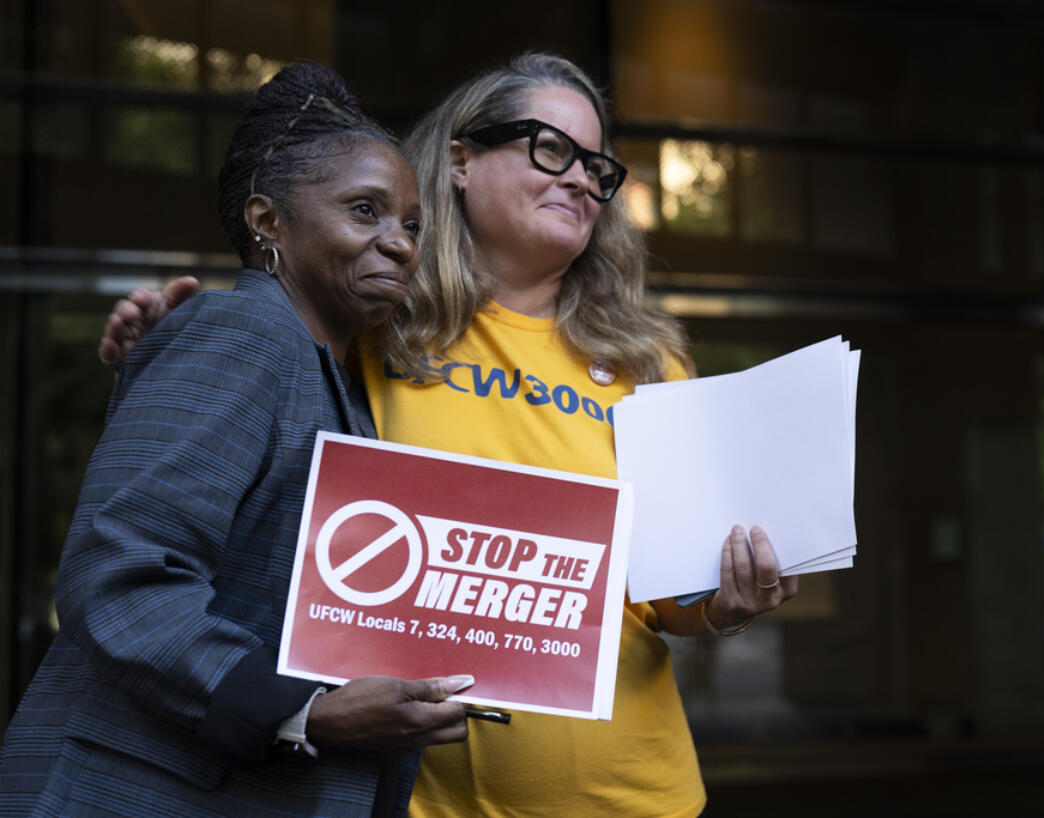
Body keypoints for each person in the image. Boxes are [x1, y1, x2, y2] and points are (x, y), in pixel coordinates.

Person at [95, 53, 799, 818]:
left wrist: (728, 600)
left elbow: (673, 601)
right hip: (406, 798)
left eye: (597, 167)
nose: (580, 180)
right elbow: (234, 477)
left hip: (631, 795)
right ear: (460, 160)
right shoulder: (368, 323)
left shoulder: (649, 359)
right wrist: (160, 363)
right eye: (551, 149)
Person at [1, 62, 471, 818]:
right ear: (267, 221)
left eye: (411, 224)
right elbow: (121, 572)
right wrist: (306, 712)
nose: (400, 243)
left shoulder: (335, 376)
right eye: (365, 211)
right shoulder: (245, 333)